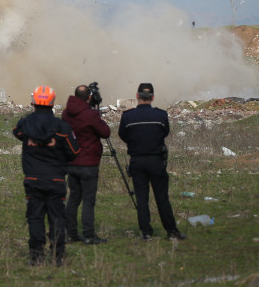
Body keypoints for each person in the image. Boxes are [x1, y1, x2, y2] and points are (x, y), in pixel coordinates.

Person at [12, 85, 80, 266]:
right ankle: (58, 257)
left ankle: (36, 257)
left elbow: (16, 132)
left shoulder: (25, 125)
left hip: (33, 179)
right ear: (52, 103)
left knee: (35, 218)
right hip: (56, 180)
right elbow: (74, 151)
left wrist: (33, 140)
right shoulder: (62, 128)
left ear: (33, 101)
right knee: (57, 218)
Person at [118, 82, 186, 241]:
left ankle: (146, 233)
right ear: (153, 97)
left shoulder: (128, 116)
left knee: (142, 199)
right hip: (156, 161)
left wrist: (135, 144)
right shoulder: (161, 115)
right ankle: (171, 232)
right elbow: (165, 132)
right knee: (162, 198)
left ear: (137, 96)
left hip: (137, 161)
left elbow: (123, 134)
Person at [61, 84, 111, 244]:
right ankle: (89, 235)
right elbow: (105, 132)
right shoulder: (90, 115)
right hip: (88, 163)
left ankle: (71, 233)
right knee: (89, 199)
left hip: (72, 161)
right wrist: (97, 114)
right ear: (89, 97)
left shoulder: (66, 114)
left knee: (74, 198)